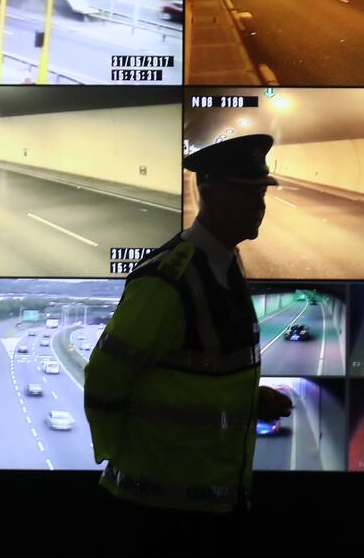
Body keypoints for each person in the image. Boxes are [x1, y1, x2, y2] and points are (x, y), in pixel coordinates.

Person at [84, 133, 293, 551]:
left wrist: (251, 400)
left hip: (214, 500)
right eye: (247, 194)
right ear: (210, 195)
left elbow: (197, 374)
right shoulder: (167, 282)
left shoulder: (226, 261)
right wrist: (126, 452)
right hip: (158, 513)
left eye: (262, 194)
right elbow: (105, 378)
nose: (260, 206)